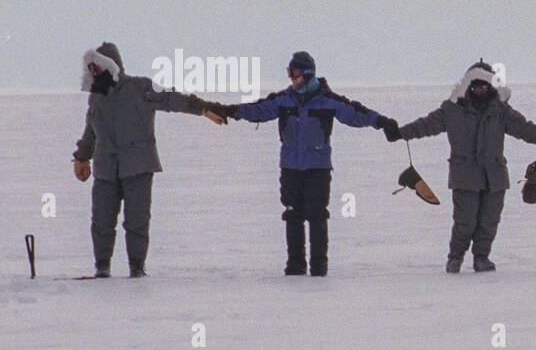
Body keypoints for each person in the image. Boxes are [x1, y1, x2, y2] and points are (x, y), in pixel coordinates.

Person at [214, 51, 394, 276]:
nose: (292, 78)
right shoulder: (283, 100)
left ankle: (319, 266)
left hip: (318, 168)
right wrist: (230, 111)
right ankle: (295, 265)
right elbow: (258, 109)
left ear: (308, 74)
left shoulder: (328, 101)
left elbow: (355, 113)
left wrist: (382, 122)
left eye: (295, 73)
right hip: (290, 167)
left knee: (317, 214)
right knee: (292, 213)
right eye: (289, 72)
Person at [71, 42, 226, 277]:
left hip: (138, 166)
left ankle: (137, 267)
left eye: (98, 68)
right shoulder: (96, 98)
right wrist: (82, 158)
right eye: (91, 69)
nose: (95, 73)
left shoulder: (140, 87)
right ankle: (102, 266)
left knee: (137, 221)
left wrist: (204, 109)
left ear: (112, 66)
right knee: (101, 221)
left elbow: (172, 99)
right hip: (106, 169)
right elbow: (91, 131)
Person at [388, 60, 536, 273]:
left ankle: (481, 258)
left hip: (494, 176)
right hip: (464, 176)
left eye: (484, 86)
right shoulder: (452, 110)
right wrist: (401, 133)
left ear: (491, 86)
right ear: (468, 86)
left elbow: (523, 127)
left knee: (489, 221)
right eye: (475, 86)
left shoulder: (501, 111)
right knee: (464, 222)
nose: (479, 89)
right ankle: (455, 257)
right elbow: (427, 124)